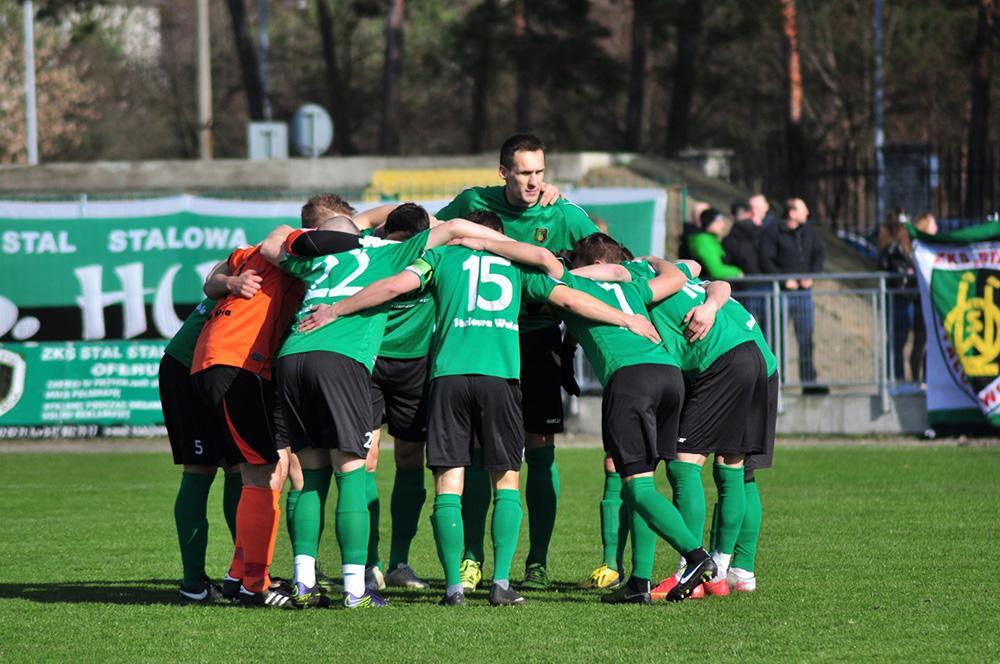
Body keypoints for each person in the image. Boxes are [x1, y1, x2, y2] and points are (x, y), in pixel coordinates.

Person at [297, 211, 661, 606]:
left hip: (448, 376)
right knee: (506, 481)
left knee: (448, 482)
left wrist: (337, 309)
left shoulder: (439, 259)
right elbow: (570, 296)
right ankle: (501, 583)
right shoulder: (518, 264)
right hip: (499, 377)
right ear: (500, 237)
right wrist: (627, 319)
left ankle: (454, 586)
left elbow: (391, 286)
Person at [265, 211, 535, 608]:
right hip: (342, 359)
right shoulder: (388, 254)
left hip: (291, 357)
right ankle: (356, 588)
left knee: (308, 474)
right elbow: (456, 227)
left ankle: (304, 582)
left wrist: (319, 235)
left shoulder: (316, 260)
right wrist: (502, 246)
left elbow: (273, 242)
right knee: (352, 470)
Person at [435, 133, 601, 590]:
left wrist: (566, 287)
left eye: (540, 173)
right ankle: (470, 559)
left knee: (540, 450)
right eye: (525, 172)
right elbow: (433, 235)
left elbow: (605, 252)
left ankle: (537, 560)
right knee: (473, 454)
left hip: (538, 341)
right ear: (504, 172)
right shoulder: (474, 201)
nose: (533, 182)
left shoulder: (562, 212)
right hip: (482, 342)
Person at [190, 222, 362, 609]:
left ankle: (239, 576)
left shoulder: (249, 254)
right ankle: (256, 585)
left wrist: (228, 283)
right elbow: (303, 238)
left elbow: (212, 277)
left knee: (275, 467)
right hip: (238, 363)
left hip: (228, 362)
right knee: (263, 471)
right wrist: (366, 242)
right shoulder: (292, 243)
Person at [161, 296, 242, 603]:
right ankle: (194, 582)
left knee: (241, 465)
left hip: (223, 366)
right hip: (188, 366)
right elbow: (214, 279)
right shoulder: (270, 262)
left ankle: (246, 574)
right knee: (201, 468)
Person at [760, 197, 825, 392]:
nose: (807, 213)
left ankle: (808, 382)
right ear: (792, 213)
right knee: (775, 338)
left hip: (804, 293)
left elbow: (819, 253)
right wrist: (783, 279)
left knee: (806, 338)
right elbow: (766, 259)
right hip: (781, 294)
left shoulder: (809, 232)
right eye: (803, 209)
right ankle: (772, 384)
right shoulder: (773, 232)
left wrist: (811, 275)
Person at [876, 209, 916, 382]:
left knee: (903, 338)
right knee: (897, 340)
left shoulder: (908, 246)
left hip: (907, 297)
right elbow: (883, 265)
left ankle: (899, 376)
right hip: (897, 297)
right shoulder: (893, 247)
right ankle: (896, 377)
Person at [724, 200, 769, 338]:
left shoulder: (729, 239)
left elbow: (726, 260)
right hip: (765, 284)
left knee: (745, 326)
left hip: (743, 286)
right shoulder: (762, 234)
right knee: (768, 327)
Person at [909, 213, 938, 383]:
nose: (937, 228)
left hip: (931, 300)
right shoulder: (919, 247)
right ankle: (915, 378)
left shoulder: (934, 247)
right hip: (920, 301)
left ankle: (928, 378)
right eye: (934, 225)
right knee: (920, 341)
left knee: (930, 343)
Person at [686, 208, 743, 281]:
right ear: (709, 223)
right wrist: (737, 272)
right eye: (718, 222)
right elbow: (716, 271)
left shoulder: (711, 239)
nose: (723, 225)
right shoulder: (704, 242)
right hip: (705, 286)